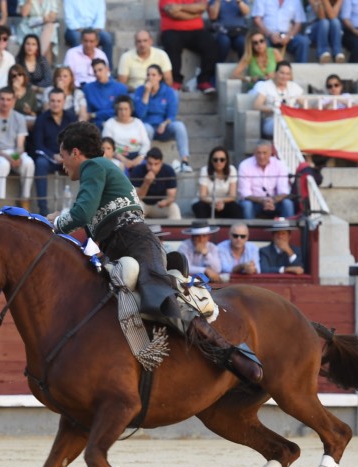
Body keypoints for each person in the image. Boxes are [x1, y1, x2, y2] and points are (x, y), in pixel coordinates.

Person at [49, 121, 262, 383]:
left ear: (76, 153)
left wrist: (55, 223)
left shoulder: (93, 167)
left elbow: (81, 213)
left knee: (160, 299)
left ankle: (231, 354)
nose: (62, 164)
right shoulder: (102, 171)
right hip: (124, 247)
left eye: (63, 155)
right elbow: (90, 224)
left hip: (135, 244)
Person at [0, 87, 35, 209]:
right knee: (2, 164)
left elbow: (20, 146)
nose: (5, 102)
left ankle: (24, 199)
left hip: (14, 153)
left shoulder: (20, 118)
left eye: (9, 99)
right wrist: (7, 157)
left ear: (14, 101)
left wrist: (15, 156)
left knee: (29, 163)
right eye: (2, 99)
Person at [133, 64, 193, 173]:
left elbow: (172, 114)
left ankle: (185, 161)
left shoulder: (169, 92)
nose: (150, 77)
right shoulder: (140, 90)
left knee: (179, 126)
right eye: (148, 75)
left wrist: (165, 123)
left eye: (153, 75)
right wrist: (146, 93)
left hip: (163, 127)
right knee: (146, 128)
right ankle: (146, 162)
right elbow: (140, 115)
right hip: (146, 126)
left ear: (160, 77)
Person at [33, 87, 78, 215]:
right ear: (48, 101)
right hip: (49, 158)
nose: (55, 104)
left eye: (58, 101)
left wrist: (66, 156)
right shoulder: (41, 119)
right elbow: (38, 144)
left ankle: (83, 211)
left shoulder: (71, 118)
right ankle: (43, 210)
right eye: (52, 101)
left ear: (64, 102)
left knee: (86, 163)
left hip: (68, 158)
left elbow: (77, 141)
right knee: (40, 163)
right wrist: (53, 155)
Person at [159, 0, 218, 93]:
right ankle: (176, 81)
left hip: (196, 31)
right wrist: (195, 15)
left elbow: (202, 7)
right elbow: (173, 13)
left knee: (210, 43)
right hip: (172, 30)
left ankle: (204, 80)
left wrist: (180, 7)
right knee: (171, 43)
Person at [238, 140, 294, 219]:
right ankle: (249, 230)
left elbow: (284, 191)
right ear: (254, 153)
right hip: (254, 202)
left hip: (274, 201)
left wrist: (273, 200)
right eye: (258, 153)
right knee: (246, 205)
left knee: (287, 203)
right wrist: (262, 200)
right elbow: (245, 194)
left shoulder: (280, 165)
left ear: (271, 152)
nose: (261, 156)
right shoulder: (245, 165)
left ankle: (286, 229)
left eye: (265, 153)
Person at [128, 146, 181, 220]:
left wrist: (166, 202)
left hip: (159, 206)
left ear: (161, 163)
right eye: (150, 164)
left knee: (174, 208)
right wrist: (146, 183)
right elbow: (136, 198)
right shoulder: (138, 170)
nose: (152, 167)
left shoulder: (168, 171)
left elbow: (171, 196)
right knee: (135, 208)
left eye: (156, 164)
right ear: (146, 161)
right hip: (143, 204)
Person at [253, 60, 303, 138]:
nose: (284, 76)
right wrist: (274, 109)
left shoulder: (294, 86)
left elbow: (304, 104)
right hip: (271, 120)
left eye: (287, 74)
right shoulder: (266, 85)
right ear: (275, 73)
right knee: (285, 124)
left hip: (291, 119)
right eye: (282, 73)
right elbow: (257, 105)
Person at [101, 96, 150, 172]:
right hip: (117, 157)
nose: (123, 112)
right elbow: (107, 146)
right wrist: (124, 160)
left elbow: (146, 143)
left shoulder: (138, 123)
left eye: (126, 109)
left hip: (137, 156)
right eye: (120, 109)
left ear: (131, 110)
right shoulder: (110, 123)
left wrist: (140, 157)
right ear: (116, 110)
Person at [193, 146, 243, 219]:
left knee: (236, 209)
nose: (218, 162)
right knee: (199, 207)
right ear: (211, 161)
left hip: (225, 202)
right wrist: (214, 202)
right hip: (208, 202)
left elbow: (232, 196)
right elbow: (202, 196)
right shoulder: (204, 170)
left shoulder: (232, 170)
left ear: (226, 161)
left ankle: (236, 229)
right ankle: (203, 229)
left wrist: (221, 202)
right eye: (215, 160)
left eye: (222, 160)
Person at [62, 0, 114, 66]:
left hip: (94, 30)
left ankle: (107, 70)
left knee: (107, 38)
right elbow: (69, 19)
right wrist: (83, 32)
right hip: (75, 29)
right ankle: (78, 66)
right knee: (77, 37)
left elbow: (100, 18)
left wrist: (93, 33)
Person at [84, 59, 127, 128]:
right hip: (96, 125)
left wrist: (95, 114)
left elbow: (121, 110)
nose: (97, 74)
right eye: (95, 71)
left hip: (116, 124)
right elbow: (88, 111)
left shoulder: (121, 88)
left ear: (107, 69)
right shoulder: (88, 88)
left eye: (100, 70)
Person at [8, 64, 42, 129]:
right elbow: (4, 111)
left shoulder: (30, 93)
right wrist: (15, 95)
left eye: (20, 74)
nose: (17, 77)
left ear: (24, 76)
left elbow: (35, 115)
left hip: (27, 122)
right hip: (10, 121)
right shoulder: (6, 91)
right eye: (14, 76)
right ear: (10, 78)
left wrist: (29, 112)